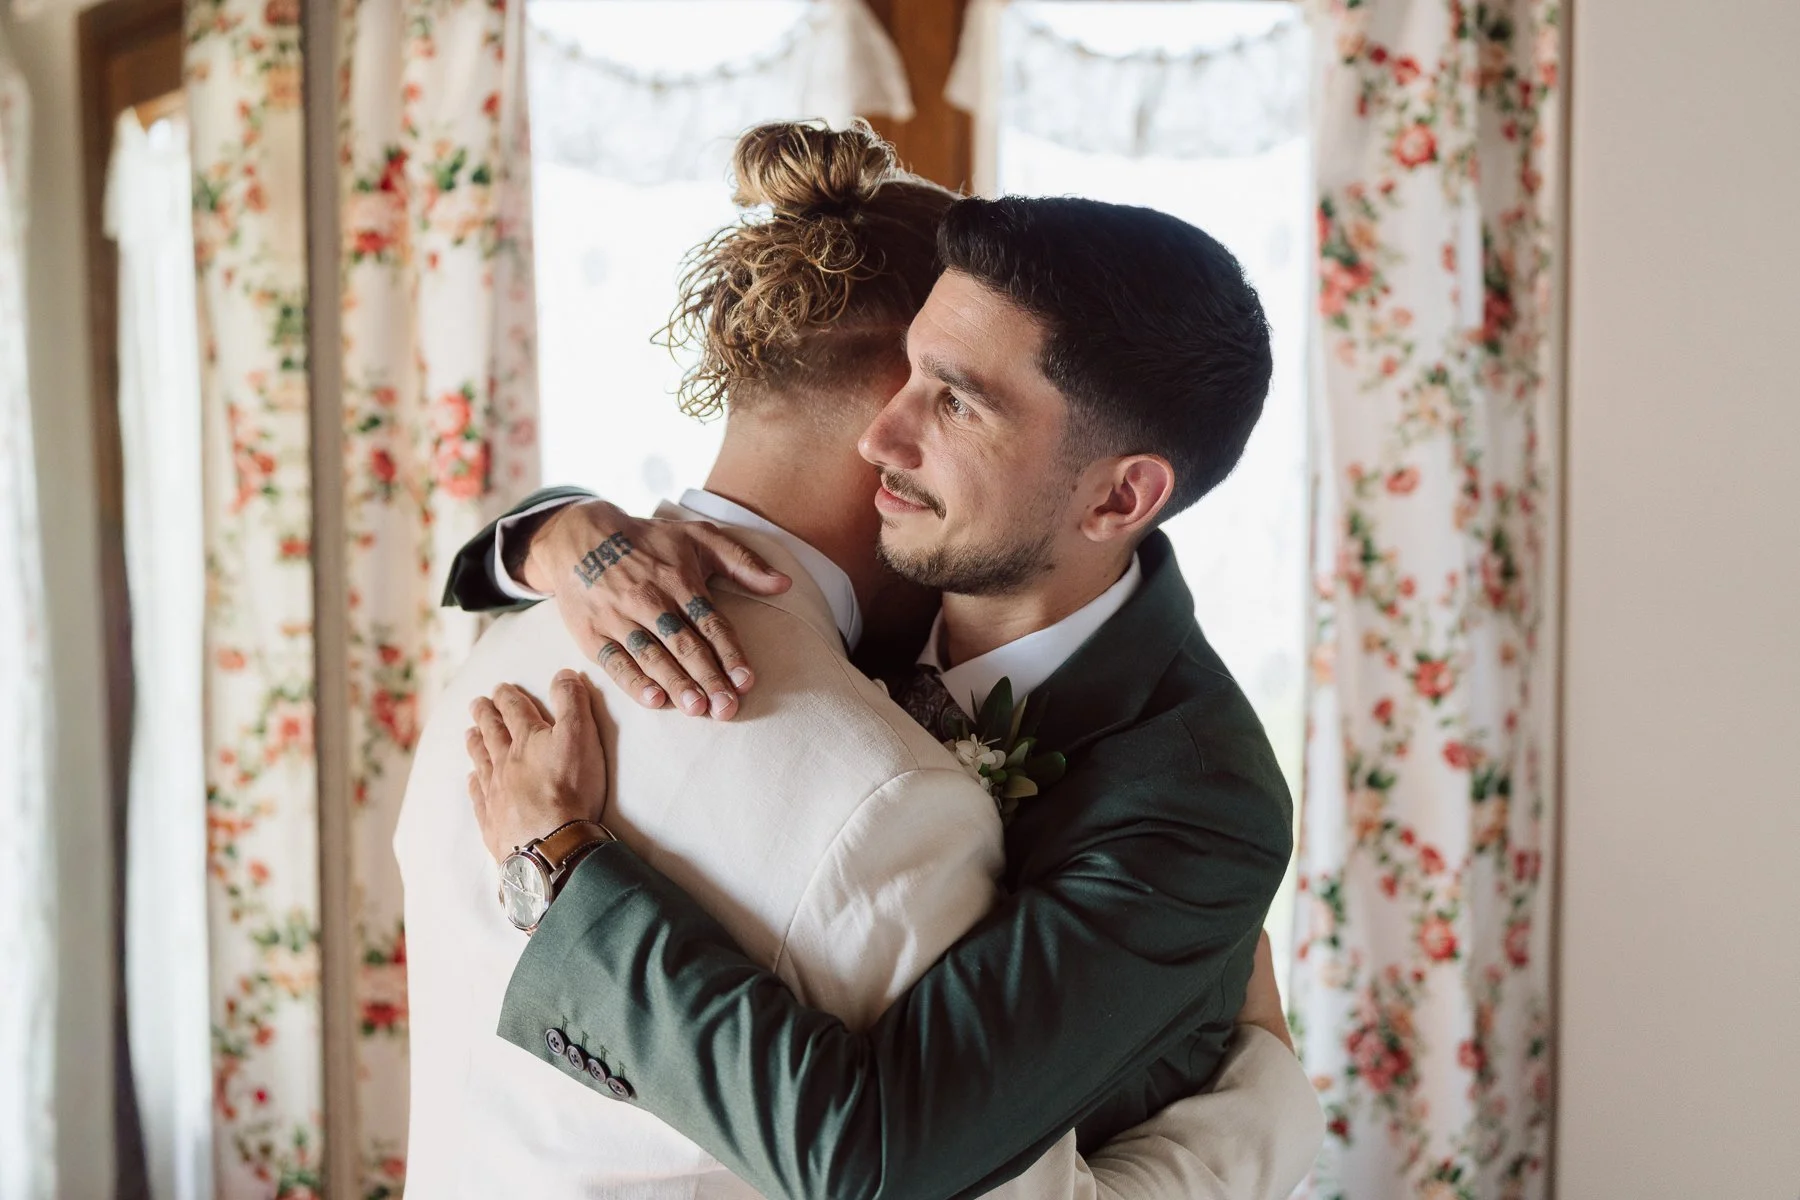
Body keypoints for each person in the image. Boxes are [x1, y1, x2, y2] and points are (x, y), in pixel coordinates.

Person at [401, 121, 1321, 1199]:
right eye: (912, 373)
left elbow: (892, 1155)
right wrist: (549, 535)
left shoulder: (1194, 794)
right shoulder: (838, 597)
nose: (880, 437)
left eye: (956, 399)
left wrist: (1273, 1110)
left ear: (1121, 496)